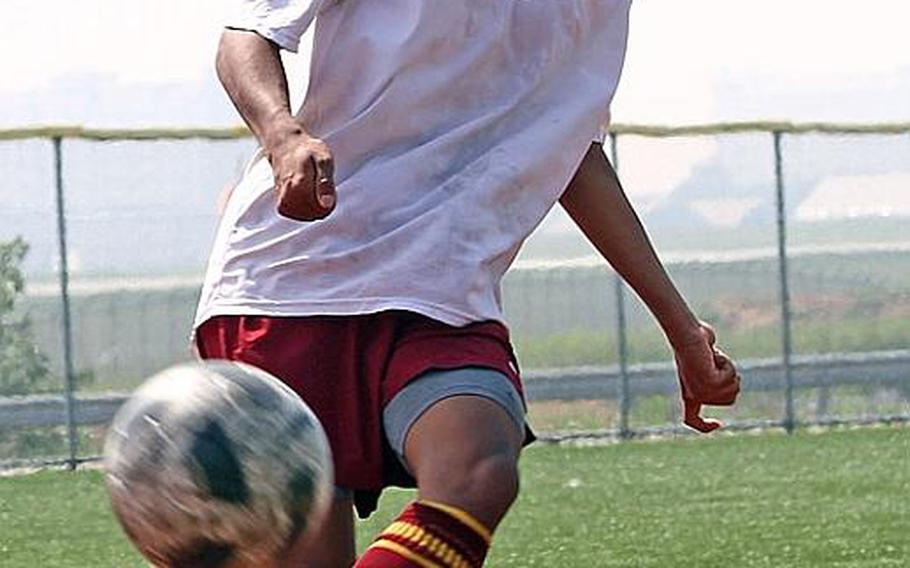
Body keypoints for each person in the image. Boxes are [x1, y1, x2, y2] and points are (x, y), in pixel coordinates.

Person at [193, 1, 741, 566]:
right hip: (289, 282)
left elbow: (570, 149)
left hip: (444, 292)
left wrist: (680, 327)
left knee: (480, 469)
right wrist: (283, 137)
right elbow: (246, 35)